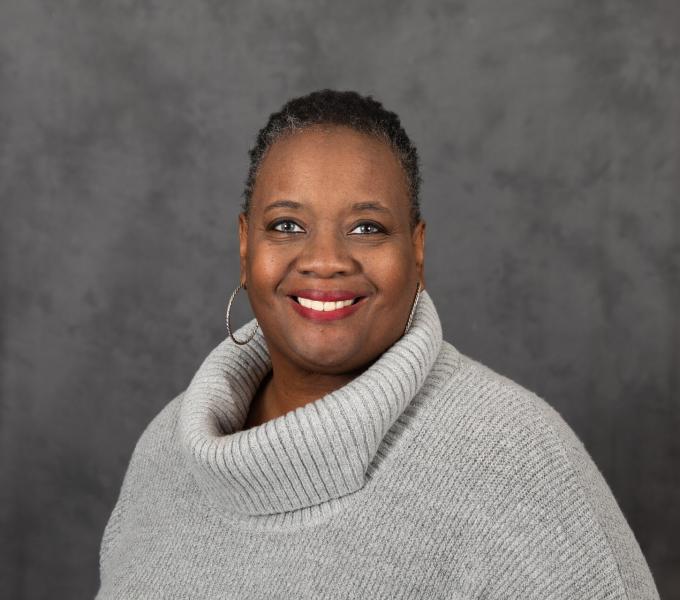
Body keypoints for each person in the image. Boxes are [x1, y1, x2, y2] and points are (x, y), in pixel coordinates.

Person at [96, 89, 659, 599]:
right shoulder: (167, 450)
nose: (325, 261)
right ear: (245, 248)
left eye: (367, 227)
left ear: (416, 251)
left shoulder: (514, 460)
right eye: (287, 225)